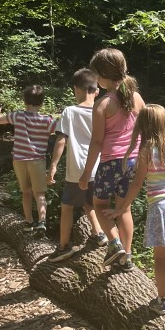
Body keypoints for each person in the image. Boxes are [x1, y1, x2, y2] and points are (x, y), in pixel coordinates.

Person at [105, 104, 165, 314]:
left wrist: (121, 208)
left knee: (159, 256)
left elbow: (137, 184)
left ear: (145, 126)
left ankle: (161, 299)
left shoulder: (147, 150)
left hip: (159, 208)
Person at [79, 48, 145, 271]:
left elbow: (97, 142)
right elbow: (145, 130)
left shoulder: (103, 104)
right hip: (134, 161)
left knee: (100, 205)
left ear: (102, 75)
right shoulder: (136, 97)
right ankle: (127, 256)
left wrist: (86, 173)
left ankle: (114, 243)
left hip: (111, 163)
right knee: (124, 209)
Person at [46, 69, 108, 262]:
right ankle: (99, 234)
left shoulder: (70, 112)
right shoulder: (102, 111)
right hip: (99, 168)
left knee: (66, 206)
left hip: (78, 170)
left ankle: (64, 246)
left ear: (76, 89)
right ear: (97, 90)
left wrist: (53, 165)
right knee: (90, 202)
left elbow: (61, 140)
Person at [0, 85, 56, 236]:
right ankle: (41, 222)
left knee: (26, 192)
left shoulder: (17, 115)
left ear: (25, 101)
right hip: (37, 161)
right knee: (40, 193)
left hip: (19, 160)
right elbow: (61, 130)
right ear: (42, 102)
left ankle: (29, 222)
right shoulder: (47, 120)